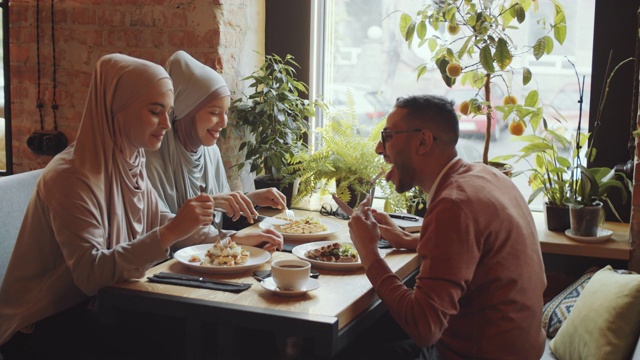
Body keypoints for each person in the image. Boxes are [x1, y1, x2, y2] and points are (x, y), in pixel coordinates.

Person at [0, 53, 280, 359]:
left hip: (107, 302)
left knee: (225, 331)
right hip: (45, 326)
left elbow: (162, 221)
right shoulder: (71, 175)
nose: (166, 124)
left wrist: (232, 242)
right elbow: (91, 273)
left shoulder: (129, 160)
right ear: (118, 109)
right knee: (192, 337)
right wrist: (173, 230)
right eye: (154, 111)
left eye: (169, 112)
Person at [347, 94, 547, 359]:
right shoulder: (487, 176)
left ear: (422, 141)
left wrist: (368, 251)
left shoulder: (454, 205)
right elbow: (478, 251)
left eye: (388, 136)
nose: (378, 148)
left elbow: (424, 328)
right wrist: (408, 240)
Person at [146, 50, 288, 235]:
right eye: (214, 113)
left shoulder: (209, 151)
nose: (223, 122)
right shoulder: (151, 158)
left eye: (226, 112)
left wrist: (250, 199)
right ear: (185, 111)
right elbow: (160, 232)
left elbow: (219, 216)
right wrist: (212, 204)